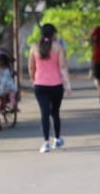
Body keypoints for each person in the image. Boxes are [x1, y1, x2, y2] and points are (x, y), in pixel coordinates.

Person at [28, 23, 72, 153]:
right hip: (56, 86)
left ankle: (46, 142)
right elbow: (63, 67)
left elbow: (31, 67)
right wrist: (67, 84)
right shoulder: (58, 47)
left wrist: (34, 80)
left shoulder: (34, 47)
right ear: (53, 34)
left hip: (40, 85)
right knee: (55, 112)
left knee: (44, 113)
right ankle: (57, 139)